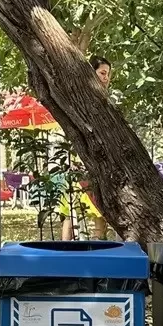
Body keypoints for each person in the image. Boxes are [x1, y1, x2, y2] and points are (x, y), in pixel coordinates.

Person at [61, 56, 113, 241]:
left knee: (100, 214)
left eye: (108, 74)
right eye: (102, 73)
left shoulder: (105, 100)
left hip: (98, 165)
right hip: (82, 165)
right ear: (91, 73)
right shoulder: (81, 99)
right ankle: (64, 252)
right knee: (72, 210)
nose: (106, 78)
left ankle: (98, 255)